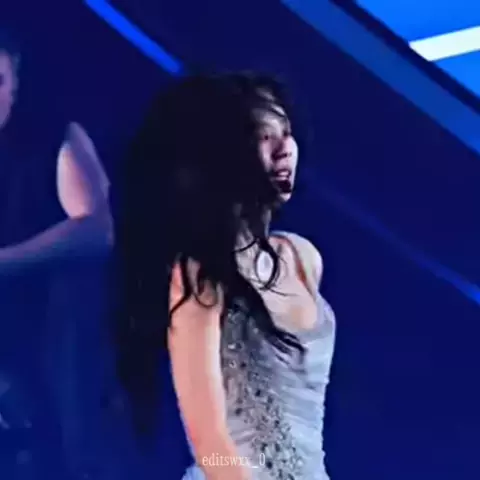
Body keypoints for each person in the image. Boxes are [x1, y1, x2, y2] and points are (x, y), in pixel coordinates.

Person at [114, 72, 336, 480]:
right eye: (264, 136)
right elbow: (208, 442)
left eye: (286, 132)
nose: (284, 149)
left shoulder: (303, 258)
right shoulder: (200, 274)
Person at [0, 29, 112, 478]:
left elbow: (96, 229)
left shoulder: (52, 137)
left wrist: (6, 263)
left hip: (43, 334)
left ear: (15, 83)